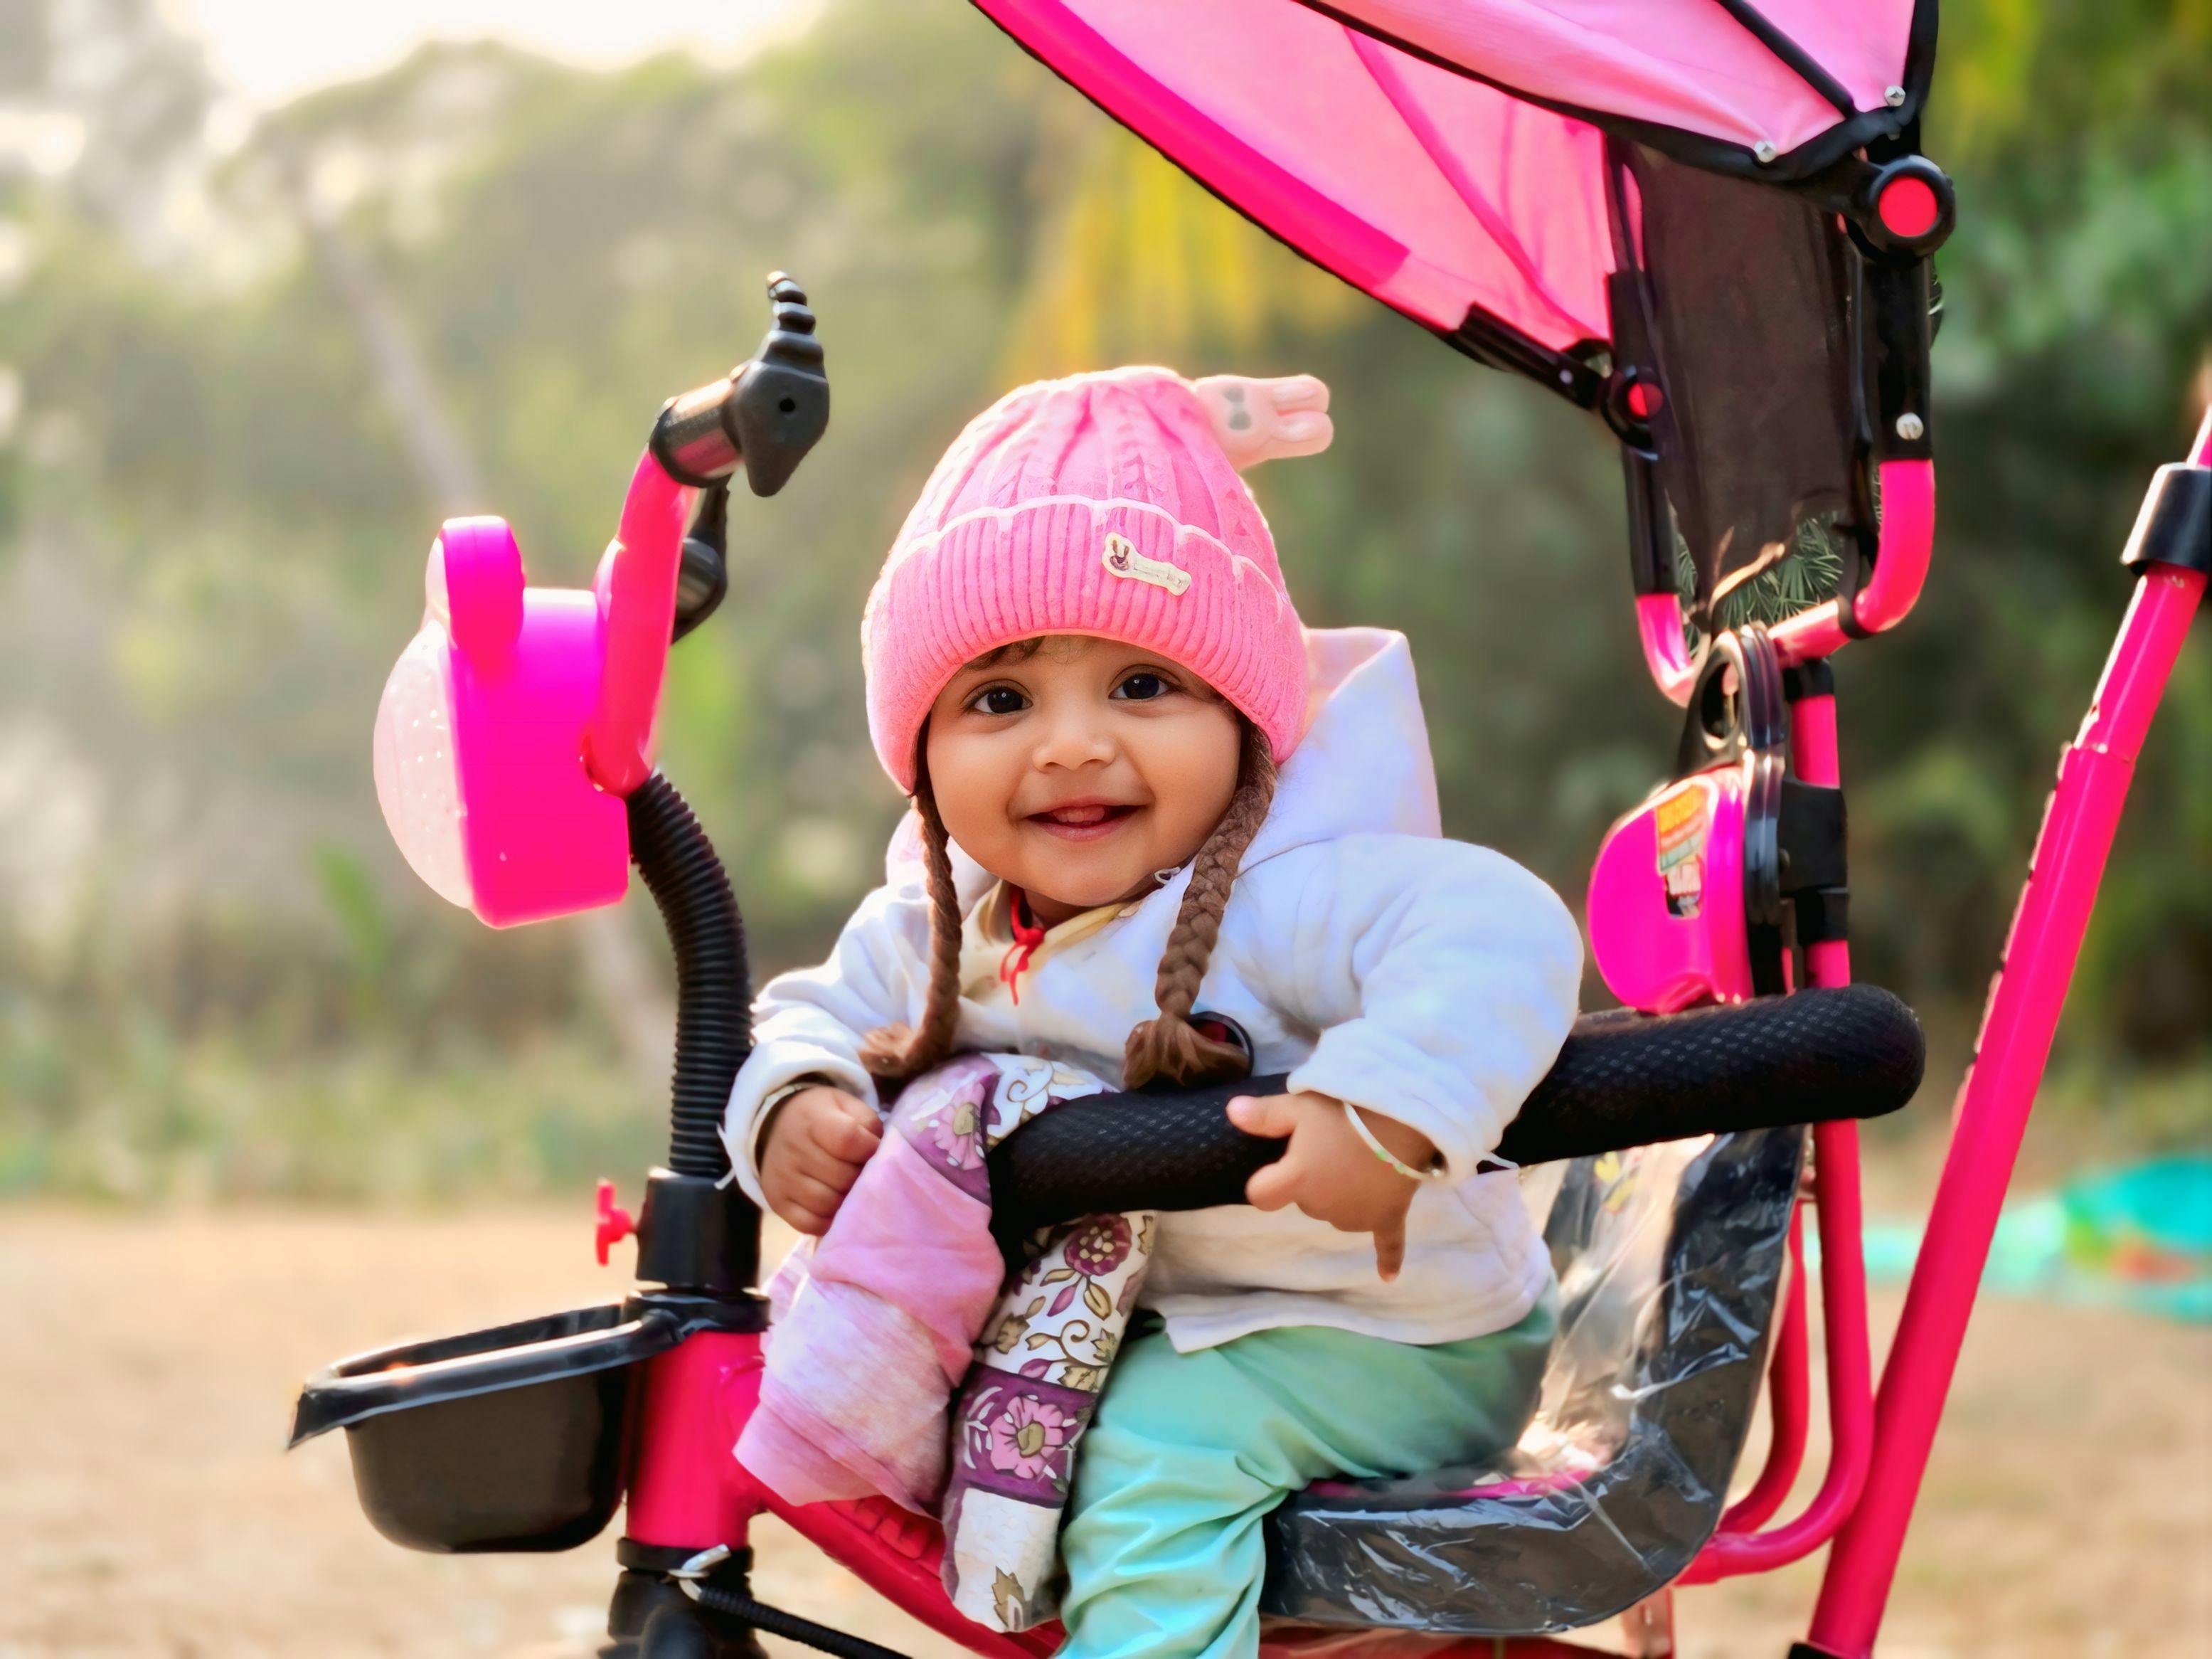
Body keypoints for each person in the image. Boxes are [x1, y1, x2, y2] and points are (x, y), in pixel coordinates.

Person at [723, 366, 1582, 1659]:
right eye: (999, 700)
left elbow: (1501, 929)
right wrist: (794, 1100)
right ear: (919, 757)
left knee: (1146, 1463)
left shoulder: (1292, 889)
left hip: (1392, 1333)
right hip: (1175, 1326)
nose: (1069, 746)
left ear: (1245, 721)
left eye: (1140, 688)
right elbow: (810, 1013)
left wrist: (1393, 1107)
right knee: (1051, 1434)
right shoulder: (938, 921)